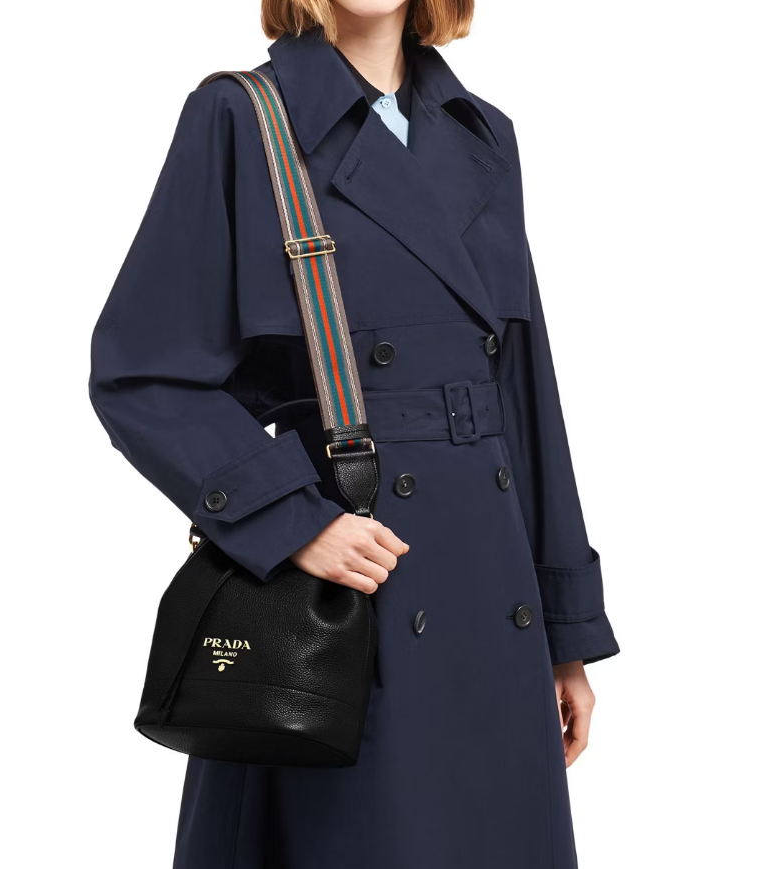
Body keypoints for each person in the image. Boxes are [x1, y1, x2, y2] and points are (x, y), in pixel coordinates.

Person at [88, 1, 619, 866]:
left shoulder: (483, 133)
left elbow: (523, 390)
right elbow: (143, 373)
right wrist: (292, 522)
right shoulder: (241, 116)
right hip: (351, 589)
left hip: (493, 600)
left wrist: (564, 635)